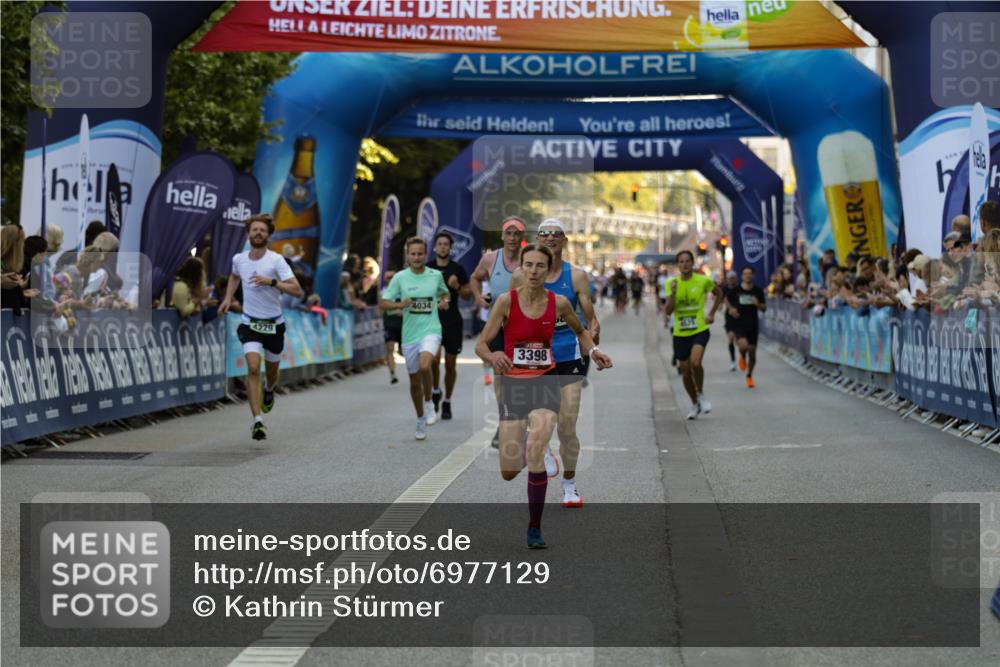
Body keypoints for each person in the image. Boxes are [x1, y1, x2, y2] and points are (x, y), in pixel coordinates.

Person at [476, 243, 612, 549]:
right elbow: (481, 344)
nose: (534, 271)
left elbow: (581, 331)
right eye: (529, 265)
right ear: (521, 268)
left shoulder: (559, 303)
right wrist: (494, 355)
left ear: (547, 270)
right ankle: (527, 448)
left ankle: (534, 528)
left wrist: (595, 351)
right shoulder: (506, 302)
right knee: (508, 471)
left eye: (540, 265)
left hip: (546, 382)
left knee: (537, 449)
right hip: (515, 386)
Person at [510, 219, 600, 508]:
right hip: (533, 357)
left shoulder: (577, 276)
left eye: (556, 234)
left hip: (566, 355)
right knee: (535, 418)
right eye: (544, 234)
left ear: (564, 240)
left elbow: (589, 316)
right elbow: (509, 314)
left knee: (567, 426)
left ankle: (570, 486)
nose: (550, 238)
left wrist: (593, 335)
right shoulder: (521, 275)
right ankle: (543, 446)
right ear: (537, 239)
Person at [219, 214, 303, 441]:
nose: (258, 233)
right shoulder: (239, 259)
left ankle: (269, 389)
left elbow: (297, 290)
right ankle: (257, 421)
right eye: (254, 229)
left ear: (269, 235)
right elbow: (234, 277)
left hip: (274, 324)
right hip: (250, 323)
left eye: (262, 230)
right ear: (248, 234)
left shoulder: (276, 261)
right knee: (254, 368)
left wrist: (272, 282)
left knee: (272, 373)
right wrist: (227, 298)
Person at [381, 237, 450, 440]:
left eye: (420, 253)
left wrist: (444, 301)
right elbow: (384, 303)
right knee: (414, 381)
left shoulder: (435, 275)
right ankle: (420, 419)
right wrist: (399, 305)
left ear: (426, 254)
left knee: (425, 365)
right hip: (410, 334)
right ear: (407, 255)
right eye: (413, 254)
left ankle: (429, 403)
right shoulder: (400, 278)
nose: (417, 257)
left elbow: (444, 294)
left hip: (431, 329)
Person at [470, 217, 526, 446]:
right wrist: (478, 298)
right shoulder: (491, 259)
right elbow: (475, 277)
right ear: (502, 236)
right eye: (508, 233)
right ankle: (504, 421)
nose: (512, 238)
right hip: (498, 325)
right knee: (501, 375)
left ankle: (522, 422)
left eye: (517, 233)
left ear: (522, 236)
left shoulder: (530, 259)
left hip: (524, 325)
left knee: (523, 375)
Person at [664, 249, 723, 419]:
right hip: (680, 332)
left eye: (687, 261)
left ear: (692, 263)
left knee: (696, 363)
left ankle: (701, 393)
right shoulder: (671, 283)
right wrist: (673, 293)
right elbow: (668, 311)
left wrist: (711, 313)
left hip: (699, 328)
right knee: (686, 372)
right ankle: (694, 402)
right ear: (678, 265)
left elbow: (719, 293)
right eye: (681, 262)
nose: (684, 265)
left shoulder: (703, 280)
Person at [429, 231, 471, 420]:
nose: (443, 247)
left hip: (452, 321)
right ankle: (435, 390)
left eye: (446, 244)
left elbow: (468, 295)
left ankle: (447, 400)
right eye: (440, 244)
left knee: (450, 364)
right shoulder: (428, 268)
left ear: (450, 248)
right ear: (435, 247)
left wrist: (458, 287)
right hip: (432, 321)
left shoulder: (458, 269)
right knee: (434, 359)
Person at [726, 266, 767, 388]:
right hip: (739, 323)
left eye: (750, 274)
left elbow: (764, 308)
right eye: (745, 274)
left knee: (752, 354)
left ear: (753, 275)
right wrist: (731, 309)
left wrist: (758, 304)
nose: (747, 276)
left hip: (753, 324)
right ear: (742, 276)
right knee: (743, 346)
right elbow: (726, 299)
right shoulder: (736, 290)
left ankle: (749, 375)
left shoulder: (758, 291)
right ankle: (742, 356)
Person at [381, 268, 402, 385]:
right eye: (387, 278)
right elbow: (381, 306)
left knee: (404, 351)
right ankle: (392, 374)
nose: (390, 280)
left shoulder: (403, 290)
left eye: (392, 277)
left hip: (404, 325)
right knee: (390, 348)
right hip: (389, 324)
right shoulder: (383, 292)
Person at [721, 270, 739, 371]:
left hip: (739, 315)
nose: (731, 280)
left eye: (733, 278)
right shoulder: (724, 288)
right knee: (731, 338)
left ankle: (742, 356)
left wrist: (736, 310)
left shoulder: (739, 288)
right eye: (730, 278)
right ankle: (733, 361)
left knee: (739, 341)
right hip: (729, 316)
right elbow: (722, 299)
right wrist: (730, 309)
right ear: (727, 279)